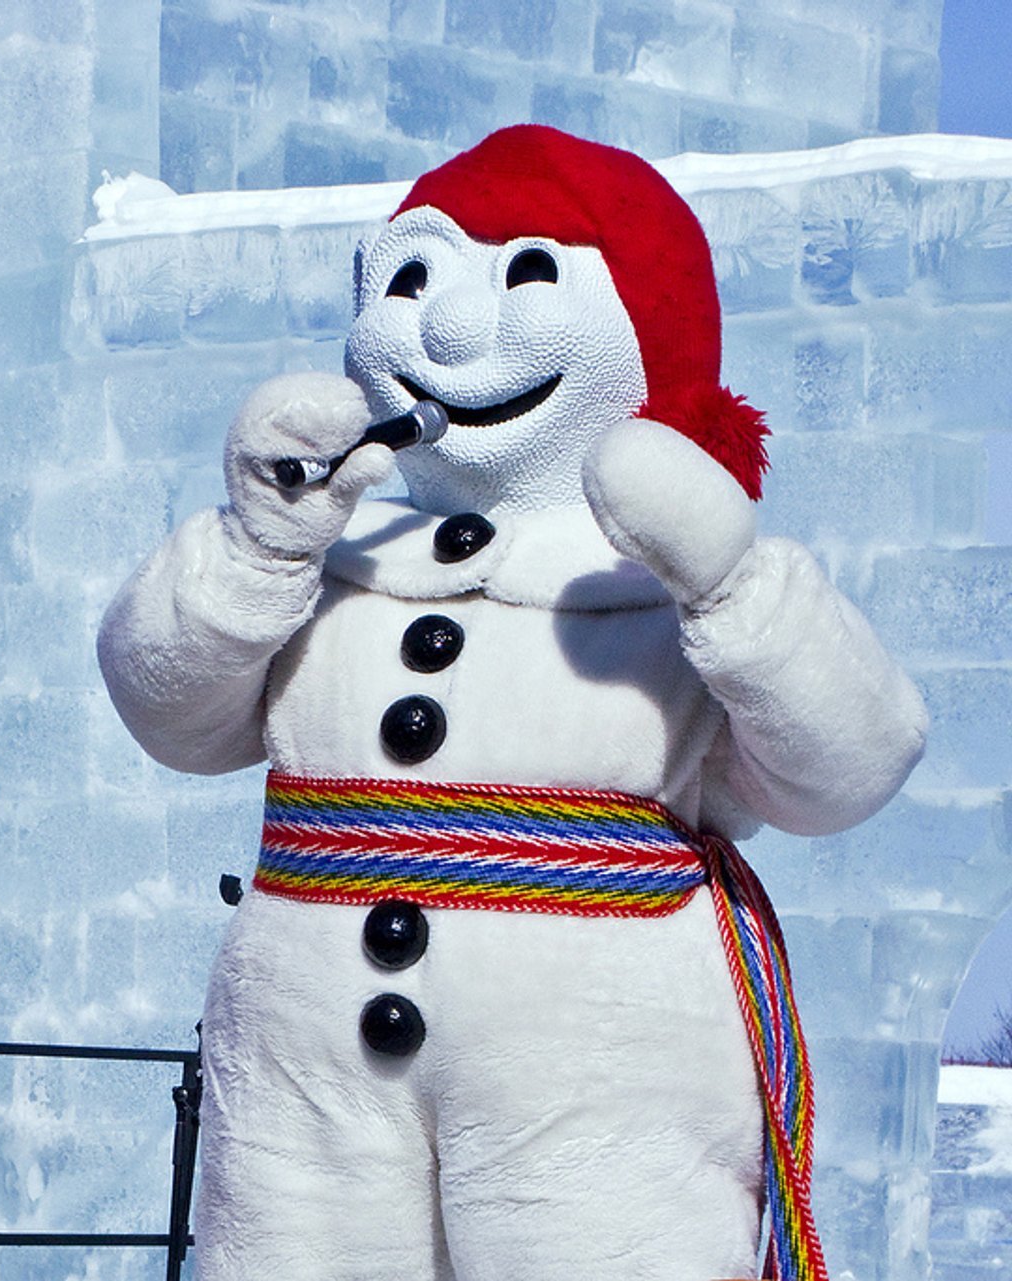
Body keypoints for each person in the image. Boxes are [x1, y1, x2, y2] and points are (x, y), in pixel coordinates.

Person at [97, 126, 927, 1280]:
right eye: (414, 275)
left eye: (529, 274)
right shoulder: (326, 549)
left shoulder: (666, 579)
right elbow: (171, 719)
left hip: (598, 1086)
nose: (445, 326)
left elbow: (849, 770)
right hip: (306, 1089)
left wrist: (735, 588)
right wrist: (254, 551)